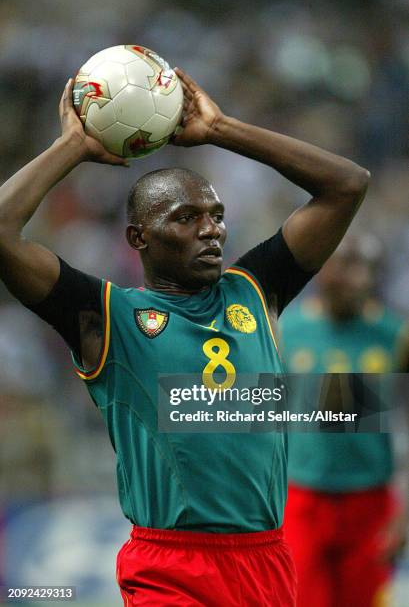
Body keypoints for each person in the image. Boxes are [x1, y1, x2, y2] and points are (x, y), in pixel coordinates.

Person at [0, 67, 369, 606]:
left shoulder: (255, 290)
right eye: (187, 217)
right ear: (138, 238)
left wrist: (221, 129)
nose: (211, 229)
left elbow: (347, 184)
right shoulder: (106, 316)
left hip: (267, 562)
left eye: (217, 216)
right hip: (171, 567)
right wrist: (71, 148)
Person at [281, 237, 409, 607]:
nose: (351, 278)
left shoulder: (394, 336)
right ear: (322, 269)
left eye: (361, 267)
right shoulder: (288, 331)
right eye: (342, 265)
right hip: (302, 497)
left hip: (369, 502)